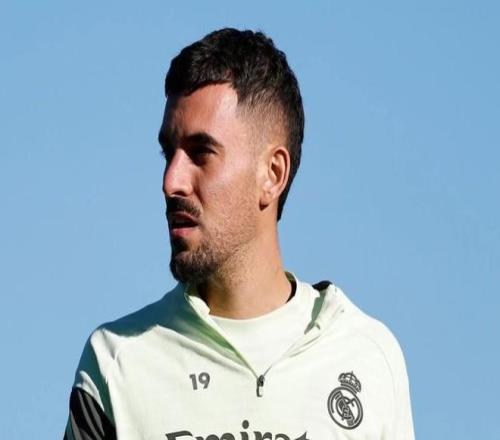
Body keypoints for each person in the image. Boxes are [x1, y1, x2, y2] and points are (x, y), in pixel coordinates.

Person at [64, 28, 415, 440]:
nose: (171, 181)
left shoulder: (369, 355)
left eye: (201, 153)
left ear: (272, 174)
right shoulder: (116, 361)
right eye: (169, 153)